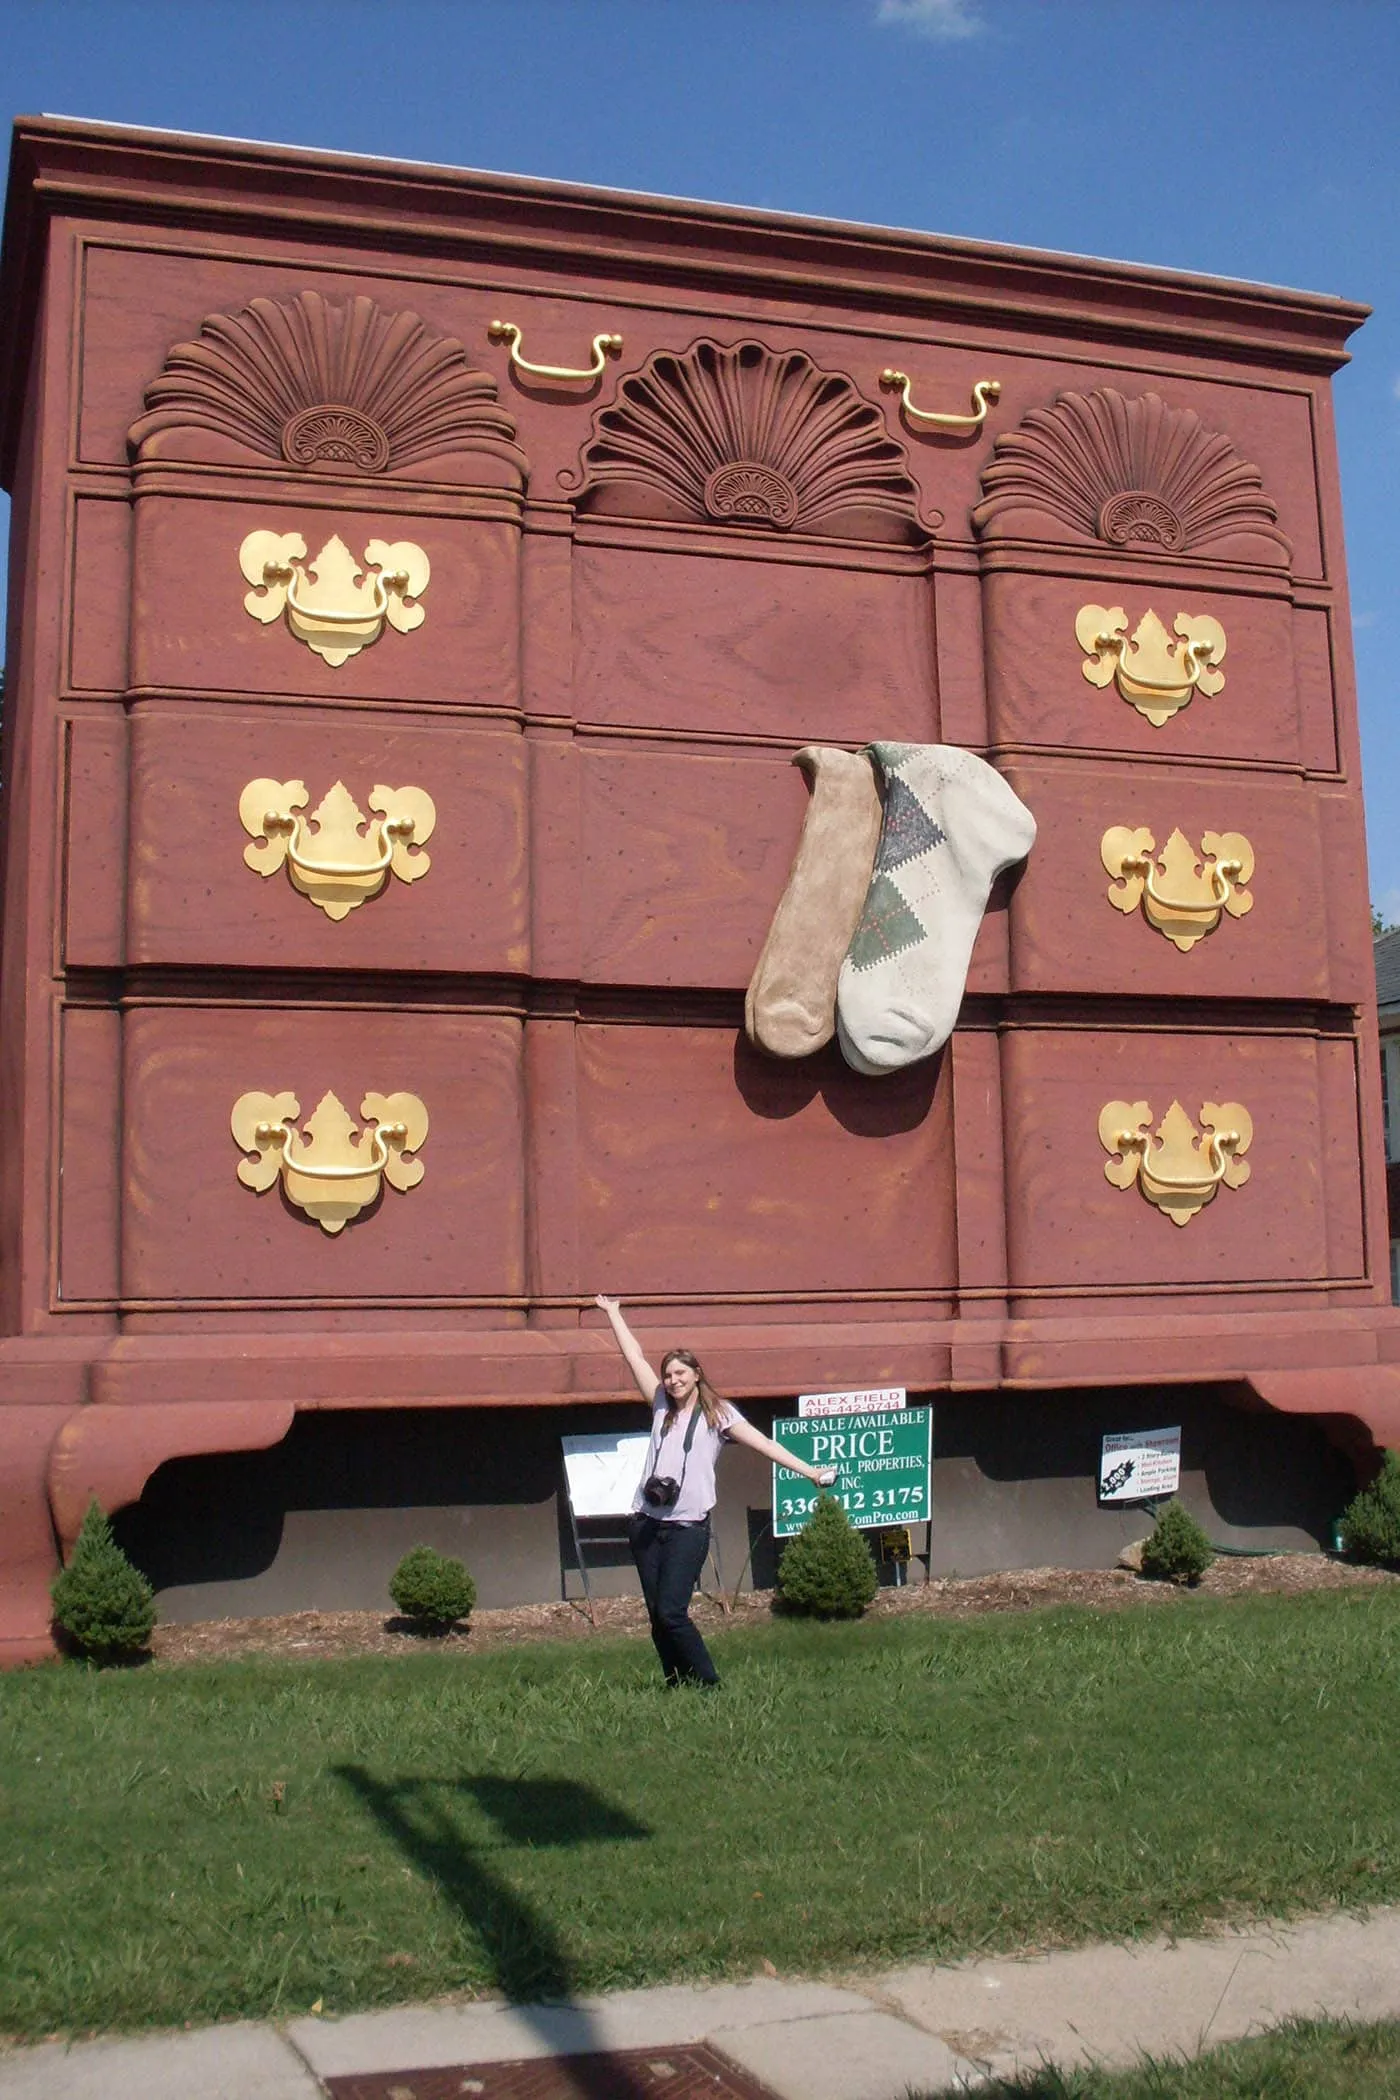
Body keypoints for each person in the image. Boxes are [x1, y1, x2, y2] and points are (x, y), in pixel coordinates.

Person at [594, 1294, 838, 1688]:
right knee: (657, 1615)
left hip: (687, 1528)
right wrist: (614, 1315)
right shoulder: (659, 1402)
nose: (673, 1381)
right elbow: (634, 1358)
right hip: (645, 1523)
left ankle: (709, 1684)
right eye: (668, 1375)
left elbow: (764, 1444)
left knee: (673, 1613)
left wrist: (809, 1471)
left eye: (680, 1374)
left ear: (696, 1373)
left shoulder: (718, 1413)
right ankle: (676, 1681)